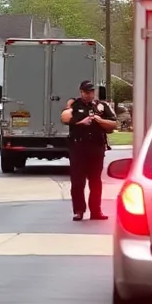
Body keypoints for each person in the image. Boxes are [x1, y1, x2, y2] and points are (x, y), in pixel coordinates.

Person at [61, 80, 117, 222]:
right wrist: (82, 122)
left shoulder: (101, 106)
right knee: (77, 181)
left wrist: (99, 120)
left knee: (95, 181)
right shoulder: (74, 105)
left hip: (96, 147)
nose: (89, 94)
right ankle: (79, 211)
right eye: (86, 92)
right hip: (78, 148)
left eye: (91, 91)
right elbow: (65, 119)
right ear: (81, 92)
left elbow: (113, 124)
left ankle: (96, 211)